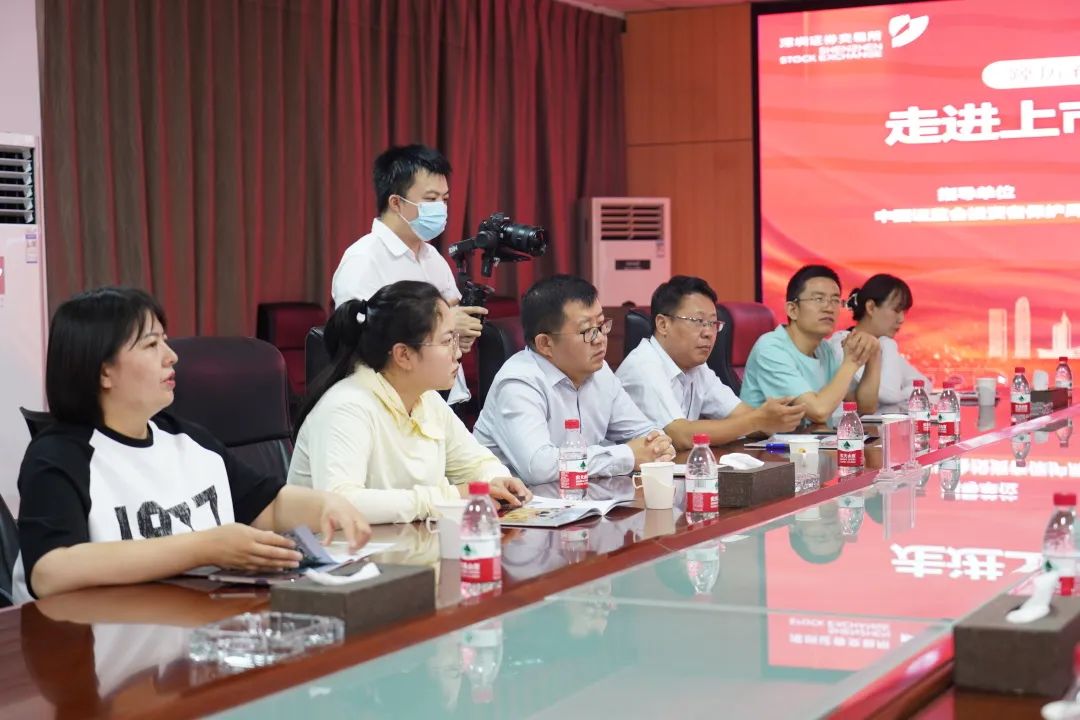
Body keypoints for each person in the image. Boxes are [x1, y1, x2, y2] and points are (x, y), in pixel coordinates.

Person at [13, 287, 371, 602]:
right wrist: (206, 547)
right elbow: (50, 572)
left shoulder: (189, 440)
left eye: (164, 340)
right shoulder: (58, 456)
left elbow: (270, 505)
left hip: (197, 629)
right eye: (151, 345)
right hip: (99, 644)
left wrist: (326, 504)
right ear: (104, 371)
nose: (171, 356)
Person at [289, 280, 531, 523]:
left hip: (406, 541)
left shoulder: (426, 399)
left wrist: (496, 479)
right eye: (447, 341)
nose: (457, 353)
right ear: (403, 355)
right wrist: (451, 496)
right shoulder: (346, 407)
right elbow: (340, 502)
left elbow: (475, 462)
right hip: (336, 546)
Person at [473, 275, 675, 486]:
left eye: (601, 325)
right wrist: (627, 455)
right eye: (587, 331)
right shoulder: (518, 383)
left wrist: (658, 445)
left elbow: (644, 432)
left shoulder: (600, 371)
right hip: (516, 503)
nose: (600, 339)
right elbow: (539, 467)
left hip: (581, 497)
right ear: (545, 344)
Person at [330, 144, 484, 404]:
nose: (441, 208)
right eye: (431, 199)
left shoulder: (433, 258)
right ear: (396, 203)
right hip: (391, 402)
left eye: (445, 200)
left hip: (443, 399)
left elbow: (450, 324)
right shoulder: (363, 260)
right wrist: (444, 324)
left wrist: (460, 334)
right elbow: (360, 344)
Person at [616, 276, 805, 450]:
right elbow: (680, 435)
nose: (708, 333)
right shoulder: (643, 365)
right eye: (698, 321)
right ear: (663, 324)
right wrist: (757, 421)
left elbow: (740, 416)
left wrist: (771, 418)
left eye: (713, 323)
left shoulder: (697, 367)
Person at [740, 265, 881, 424]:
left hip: (811, 438)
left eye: (835, 300)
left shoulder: (824, 349)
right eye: (818, 299)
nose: (829, 308)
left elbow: (865, 407)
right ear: (792, 309)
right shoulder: (770, 349)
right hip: (769, 440)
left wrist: (874, 354)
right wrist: (852, 361)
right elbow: (818, 411)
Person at [827, 273, 928, 409]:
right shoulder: (843, 344)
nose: (901, 319)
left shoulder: (883, 346)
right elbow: (888, 394)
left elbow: (924, 384)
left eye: (904, 312)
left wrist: (901, 395)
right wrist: (888, 343)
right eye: (896, 310)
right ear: (871, 307)